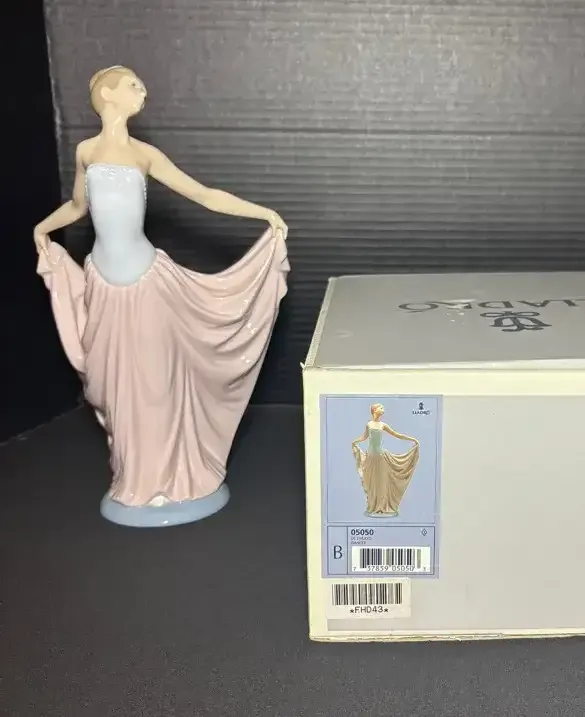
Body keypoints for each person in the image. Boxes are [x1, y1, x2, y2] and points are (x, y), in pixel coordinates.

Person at [33, 65, 290, 527]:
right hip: (103, 286)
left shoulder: (144, 155)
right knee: (115, 385)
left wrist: (264, 214)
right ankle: (136, 477)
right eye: (133, 85)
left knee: (153, 383)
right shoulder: (86, 151)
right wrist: (42, 228)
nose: (143, 91)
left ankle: (171, 477)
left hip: (147, 283)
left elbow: (205, 195)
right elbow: (77, 206)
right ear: (107, 94)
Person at [351, 403, 420, 517]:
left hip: (380, 456)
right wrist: (355, 441)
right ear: (374, 410)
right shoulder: (369, 424)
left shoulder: (383, 425)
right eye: (381, 408)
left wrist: (412, 439)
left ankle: (382, 506)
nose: (383, 410)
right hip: (370, 457)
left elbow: (397, 434)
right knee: (372, 482)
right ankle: (373, 506)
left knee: (382, 481)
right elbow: (364, 437)